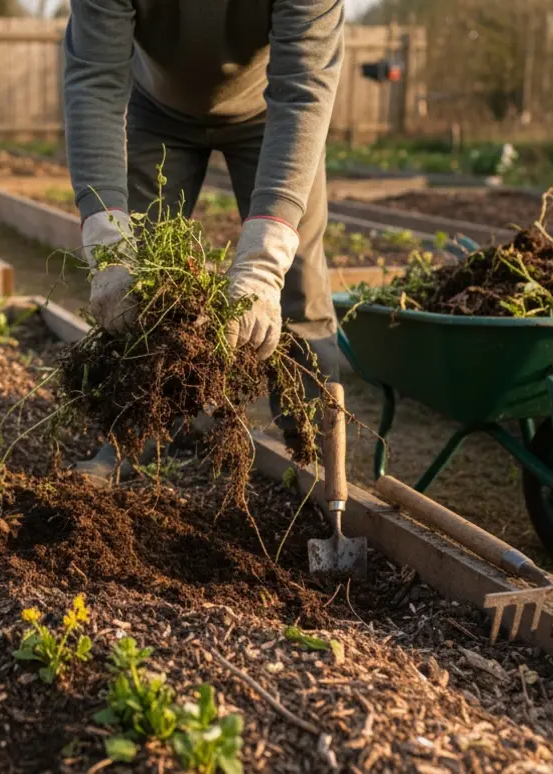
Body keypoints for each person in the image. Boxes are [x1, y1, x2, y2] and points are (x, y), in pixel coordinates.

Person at [64, 0, 346, 482]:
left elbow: (304, 90)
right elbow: (94, 83)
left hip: (271, 116)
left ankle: (313, 452)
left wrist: (263, 262)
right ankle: (129, 437)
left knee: (298, 280)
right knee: (142, 278)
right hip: (156, 111)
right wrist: (108, 240)